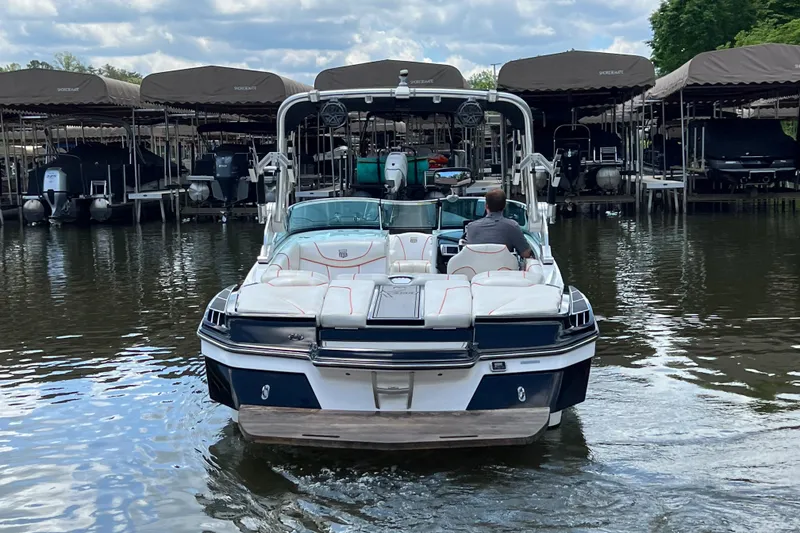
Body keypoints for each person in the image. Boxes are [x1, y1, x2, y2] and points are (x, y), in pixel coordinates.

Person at [464, 189, 533, 258]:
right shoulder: (512, 226)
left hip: (477, 268)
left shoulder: (471, 227)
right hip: (503, 268)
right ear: (504, 206)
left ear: (486, 206)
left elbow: (468, 253)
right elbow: (525, 253)